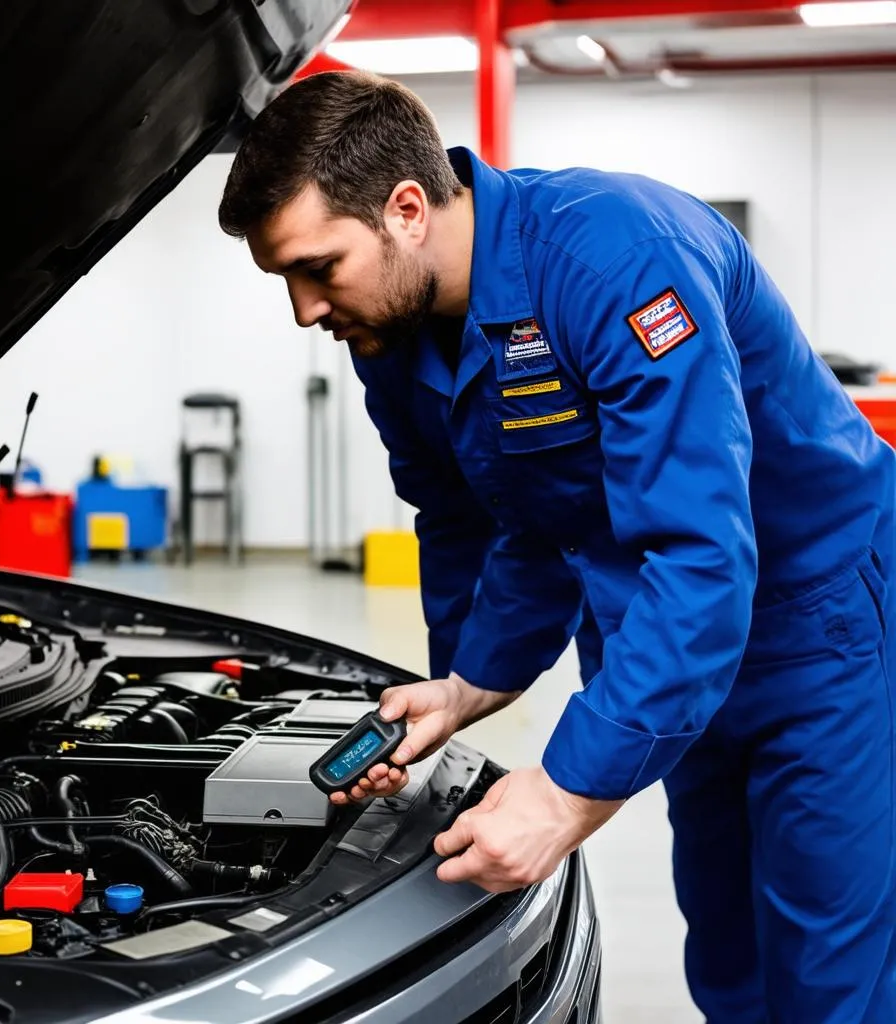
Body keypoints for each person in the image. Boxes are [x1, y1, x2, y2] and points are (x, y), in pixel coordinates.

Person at [218, 71, 895, 1023]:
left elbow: (703, 552)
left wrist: (568, 794)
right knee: (731, 948)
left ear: (407, 210)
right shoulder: (397, 344)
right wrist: (459, 688)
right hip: (662, 628)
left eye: (318, 268)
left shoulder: (616, 259)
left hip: (813, 618)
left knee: (829, 966)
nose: (304, 311)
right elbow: (503, 524)